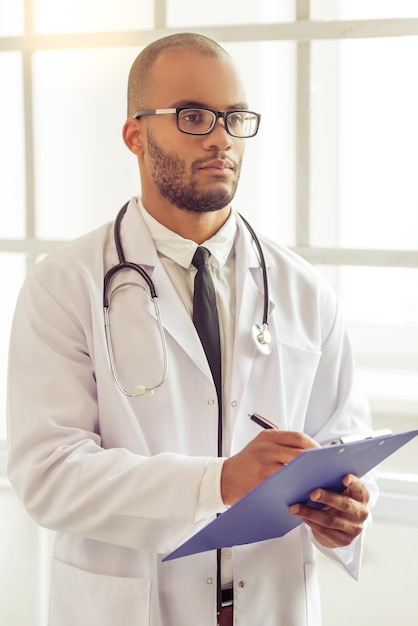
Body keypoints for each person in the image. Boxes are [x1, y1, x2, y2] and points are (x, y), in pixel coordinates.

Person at [7, 33, 377, 626]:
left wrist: (349, 510)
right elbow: (49, 475)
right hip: (132, 605)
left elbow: (342, 444)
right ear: (135, 135)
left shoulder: (305, 290)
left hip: (270, 601)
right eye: (193, 116)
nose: (220, 137)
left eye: (234, 118)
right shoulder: (63, 285)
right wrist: (220, 481)